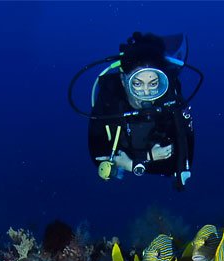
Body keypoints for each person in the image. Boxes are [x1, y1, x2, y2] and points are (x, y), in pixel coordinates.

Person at [70, 32, 202, 190]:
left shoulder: (170, 100)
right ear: (124, 81)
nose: (146, 93)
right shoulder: (109, 99)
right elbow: (98, 156)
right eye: (137, 84)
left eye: (153, 84)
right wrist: (146, 158)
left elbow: (178, 164)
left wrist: (130, 163)